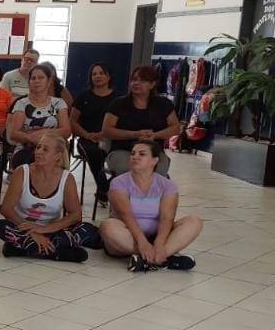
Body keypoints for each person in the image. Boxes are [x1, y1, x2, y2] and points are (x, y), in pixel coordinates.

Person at [0, 134, 100, 262]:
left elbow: (76, 215)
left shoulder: (67, 178)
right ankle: (56, 252)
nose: (38, 152)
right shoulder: (22, 172)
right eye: (38, 147)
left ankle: (23, 248)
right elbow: (6, 209)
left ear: (58, 156)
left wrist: (44, 229)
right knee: (0, 225)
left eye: (45, 149)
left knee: (86, 229)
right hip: (22, 227)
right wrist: (32, 232)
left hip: (51, 229)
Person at [99, 140, 201, 271]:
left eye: (142, 154)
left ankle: (154, 256)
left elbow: (167, 218)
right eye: (133, 153)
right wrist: (142, 242)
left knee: (194, 221)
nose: (135, 157)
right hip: (128, 236)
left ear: (154, 161)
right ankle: (164, 259)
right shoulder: (118, 182)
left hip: (156, 236)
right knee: (107, 226)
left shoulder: (167, 185)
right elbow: (126, 215)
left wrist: (159, 243)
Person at [103, 66, 179, 175]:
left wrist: (155, 135)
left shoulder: (164, 104)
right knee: (131, 169)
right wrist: (135, 134)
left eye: (142, 80)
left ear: (152, 84)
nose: (136, 83)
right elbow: (106, 130)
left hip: (153, 152)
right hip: (123, 150)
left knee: (159, 169)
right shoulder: (118, 104)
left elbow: (175, 128)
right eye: (134, 80)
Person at [7, 65, 71, 167]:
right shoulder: (21, 103)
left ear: (49, 81)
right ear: (29, 83)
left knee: (51, 161)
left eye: (41, 78)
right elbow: (14, 134)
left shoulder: (59, 103)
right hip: (26, 148)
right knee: (29, 162)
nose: (36, 81)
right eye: (33, 78)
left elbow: (66, 131)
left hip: (53, 149)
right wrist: (30, 138)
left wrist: (44, 134)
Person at [72, 63, 117, 203]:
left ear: (108, 76)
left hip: (111, 139)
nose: (97, 76)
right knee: (95, 153)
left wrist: (105, 135)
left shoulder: (118, 98)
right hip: (87, 139)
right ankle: (104, 188)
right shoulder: (83, 96)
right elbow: (72, 121)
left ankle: (107, 188)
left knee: (128, 157)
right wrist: (87, 135)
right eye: (94, 74)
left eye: (101, 73)